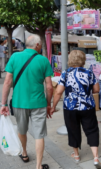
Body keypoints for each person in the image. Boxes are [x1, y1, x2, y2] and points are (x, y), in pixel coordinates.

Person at [0, 35, 53, 169]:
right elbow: (49, 86)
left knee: (21, 129)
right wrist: (48, 104)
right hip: (39, 103)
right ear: (37, 45)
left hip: (19, 102)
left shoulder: (14, 57)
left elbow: (7, 82)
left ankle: (24, 153)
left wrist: (3, 104)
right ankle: (38, 166)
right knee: (39, 134)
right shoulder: (43, 60)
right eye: (40, 44)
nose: (40, 47)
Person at [50, 50, 101, 169]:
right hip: (87, 106)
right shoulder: (90, 73)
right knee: (92, 129)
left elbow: (58, 92)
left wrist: (53, 106)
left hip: (70, 107)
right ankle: (95, 157)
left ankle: (77, 155)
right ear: (83, 60)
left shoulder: (65, 73)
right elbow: (96, 90)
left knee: (73, 129)